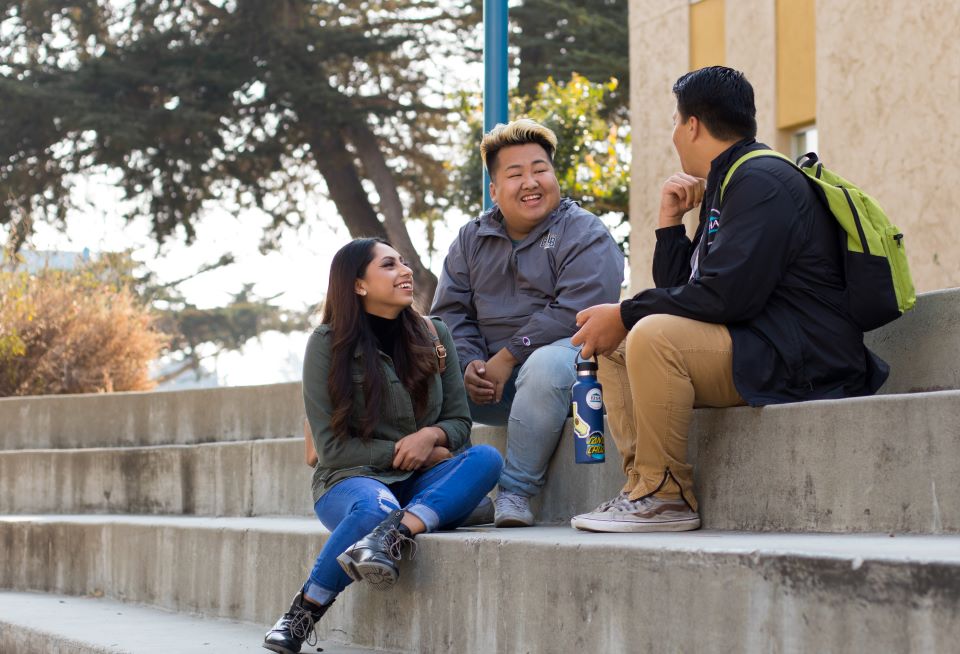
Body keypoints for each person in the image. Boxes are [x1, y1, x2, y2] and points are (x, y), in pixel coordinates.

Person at [569, 66, 888, 533]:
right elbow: (686, 290)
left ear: (693, 124)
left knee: (651, 334)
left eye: (676, 123)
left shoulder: (762, 181)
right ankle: (642, 486)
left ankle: (666, 493)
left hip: (805, 358)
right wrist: (670, 224)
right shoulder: (731, 180)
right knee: (620, 344)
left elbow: (725, 297)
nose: (675, 135)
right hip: (760, 343)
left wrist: (625, 311)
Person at [263, 238, 503, 654]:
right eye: (389, 265)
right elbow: (332, 450)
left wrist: (430, 436)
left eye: (404, 263)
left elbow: (460, 424)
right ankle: (302, 613)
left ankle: (392, 535)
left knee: (486, 458)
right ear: (358, 285)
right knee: (375, 507)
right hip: (350, 480)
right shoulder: (327, 343)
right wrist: (408, 451)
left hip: (421, 476)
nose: (405, 271)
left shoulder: (435, 334)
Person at [431, 118, 624, 527]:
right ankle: (446, 490)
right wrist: (468, 364)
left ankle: (515, 492)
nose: (531, 182)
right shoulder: (470, 239)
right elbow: (450, 312)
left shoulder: (584, 231)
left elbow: (577, 309)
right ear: (494, 190)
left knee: (545, 364)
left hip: (573, 379)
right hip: (491, 386)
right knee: (420, 362)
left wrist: (508, 355)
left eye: (540, 170)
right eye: (515, 174)